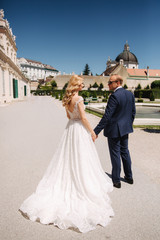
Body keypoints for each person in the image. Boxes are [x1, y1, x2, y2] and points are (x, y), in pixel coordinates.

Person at [19, 75, 114, 233]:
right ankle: (81, 182)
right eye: (81, 84)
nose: (83, 85)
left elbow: (69, 116)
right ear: (76, 85)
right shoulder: (79, 98)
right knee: (82, 158)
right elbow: (83, 117)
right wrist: (92, 132)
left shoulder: (67, 99)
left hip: (70, 129)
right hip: (79, 131)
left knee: (67, 158)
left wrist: (77, 120)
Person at [94, 74, 136, 189]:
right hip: (125, 129)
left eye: (110, 82)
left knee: (115, 154)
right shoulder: (130, 94)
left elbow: (107, 116)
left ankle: (116, 181)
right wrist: (127, 124)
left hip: (114, 130)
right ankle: (129, 177)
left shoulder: (114, 96)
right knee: (125, 152)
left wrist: (96, 131)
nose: (108, 84)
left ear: (118, 83)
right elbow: (133, 113)